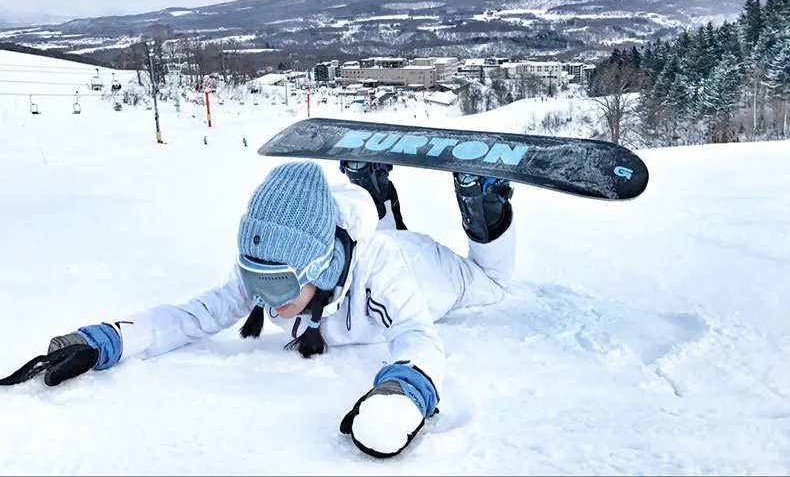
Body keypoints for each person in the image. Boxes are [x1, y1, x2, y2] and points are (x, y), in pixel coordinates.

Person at [1, 159, 516, 459]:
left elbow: (418, 336)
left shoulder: (384, 269)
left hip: (426, 269)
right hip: (350, 257)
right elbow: (192, 316)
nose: (265, 302)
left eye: (276, 286)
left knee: (491, 284)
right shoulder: (272, 266)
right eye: (254, 281)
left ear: (314, 269)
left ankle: (484, 202)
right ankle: (372, 185)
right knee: (375, 236)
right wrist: (107, 340)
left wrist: (405, 391)